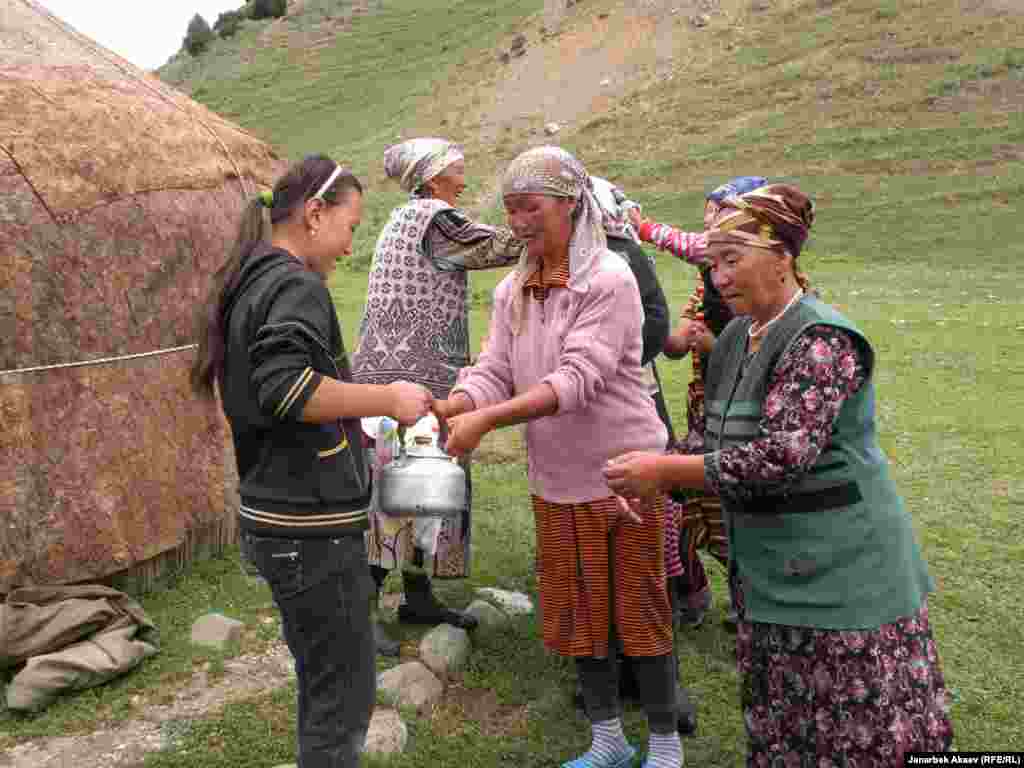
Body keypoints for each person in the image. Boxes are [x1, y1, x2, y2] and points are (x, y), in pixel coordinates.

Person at [605, 182, 954, 764]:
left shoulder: (820, 340)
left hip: (847, 585)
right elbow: (715, 438)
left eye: (732, 261)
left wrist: (664, 469)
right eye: (713, 264)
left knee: (861, 735)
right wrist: (656, 483)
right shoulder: (739, 336)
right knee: (787, 728)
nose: (718, 278)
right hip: (772, 579)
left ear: (784, 257)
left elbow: (778, 458)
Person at [437, 147, 682, 768]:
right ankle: (607, 741)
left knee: (639, 607)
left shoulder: (609, 280)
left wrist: (487, 419)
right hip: (557, 479)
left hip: (625, 474)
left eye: (531, 207)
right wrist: (459, 400)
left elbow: (577, 381)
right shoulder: (513, 288)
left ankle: (664, 745)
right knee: (577, 610)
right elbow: (496, 366)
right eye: (511, 208)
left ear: (570, 205)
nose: (518, 220)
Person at [190, 155, 434, 768]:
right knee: (344, 696)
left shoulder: (252, 275)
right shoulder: (294, 283)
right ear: (315, 214)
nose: (352, 246)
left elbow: (277, 391)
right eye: (351, 227)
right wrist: (389, 398)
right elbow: (286, 388)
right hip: (309, 530)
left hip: (277, 515)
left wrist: (359, 420)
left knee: (325, 681)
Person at [351, 138, 526, 653]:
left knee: (416, 489)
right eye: (455, 166)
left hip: (396, 375)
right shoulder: (435, 218)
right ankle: (364, 610)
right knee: (406, 491)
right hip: (412, 379)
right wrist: (549, 228)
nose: (463, 175)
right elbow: (494, 247)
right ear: (431, 177)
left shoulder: (408, 218)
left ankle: (418, 595)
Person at [630, 176, 769, 630]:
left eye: (720, 217)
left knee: (744, 509)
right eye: (708, 218)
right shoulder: (707, 282)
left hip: (748, 416)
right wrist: (669, 337)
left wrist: (710, 344)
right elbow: (678, 340)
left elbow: (758, 359)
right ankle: (704, 593)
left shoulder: (773, 296)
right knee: (701, 503)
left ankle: (755, 607)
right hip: (706, 409)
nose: (711, 227)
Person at [588, 176, 696, 736]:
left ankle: (656, 679)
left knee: (645, 547)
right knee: (603, 547)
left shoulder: (622, 251)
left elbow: (653, 328)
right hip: (591, 418)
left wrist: (603, 359)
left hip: (630, 412)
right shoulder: (577, 255)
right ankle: (618, 679)